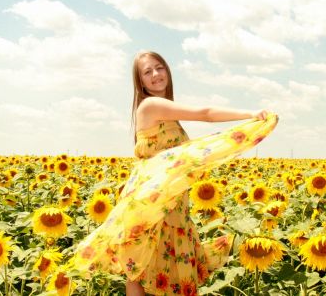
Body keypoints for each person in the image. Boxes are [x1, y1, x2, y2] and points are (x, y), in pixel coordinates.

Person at [73, 51, 278, 296]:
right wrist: (250, 115)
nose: (156, 75)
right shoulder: (151, 105)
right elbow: (205, 113)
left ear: (168, 70)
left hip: (166, 199)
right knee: (139, 267)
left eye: (159, 68)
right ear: (140, 82)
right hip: (154, 200)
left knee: (143, 266)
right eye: (147, 72)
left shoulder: (163, 111)